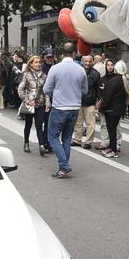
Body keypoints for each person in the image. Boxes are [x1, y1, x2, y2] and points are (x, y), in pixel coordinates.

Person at [42, 42, 87, 179]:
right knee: (67, 138)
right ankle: (63, 168)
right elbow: (85, 90)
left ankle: (64, 165)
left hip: (59, 107)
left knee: (52, 137)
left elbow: (46, 89)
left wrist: (57, 92)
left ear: (63, 53)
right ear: (74, 54)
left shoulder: (55, 69)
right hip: (74, 108)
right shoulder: (81, 70)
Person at [16, 55, 49, 156]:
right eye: (36, 62)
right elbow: (20, 89)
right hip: (30, 105)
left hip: (40, 104)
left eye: (39, 62)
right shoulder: (26, 75)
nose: (38, 64)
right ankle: (26, 143)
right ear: (31, 64)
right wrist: (27, 100)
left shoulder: (44, 76)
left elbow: (46, 91)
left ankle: (41, 146)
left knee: (39, 125)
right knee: (28, 125)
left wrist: (48, 103)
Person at [98, 60, 129, 158]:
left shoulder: (114, 81)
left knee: (111, 130)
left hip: (111, 109)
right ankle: (112, 147)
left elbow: (107, 96)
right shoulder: (123, 80)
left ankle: (113, 149)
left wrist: (101, 108)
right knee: (113, 130)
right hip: (119, 109)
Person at [72, 54, 101, 148]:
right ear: (82, 61)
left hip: (90, 102)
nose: (87, 63)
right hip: (78, 101)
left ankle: (88, 142)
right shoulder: (77, 71)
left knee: (91, 124)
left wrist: (98, 102)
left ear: (92, 62)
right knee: (77, 123)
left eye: (89, 61)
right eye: (85, 61)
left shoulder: (95, 74)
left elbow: (98, 89)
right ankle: (77, 140)